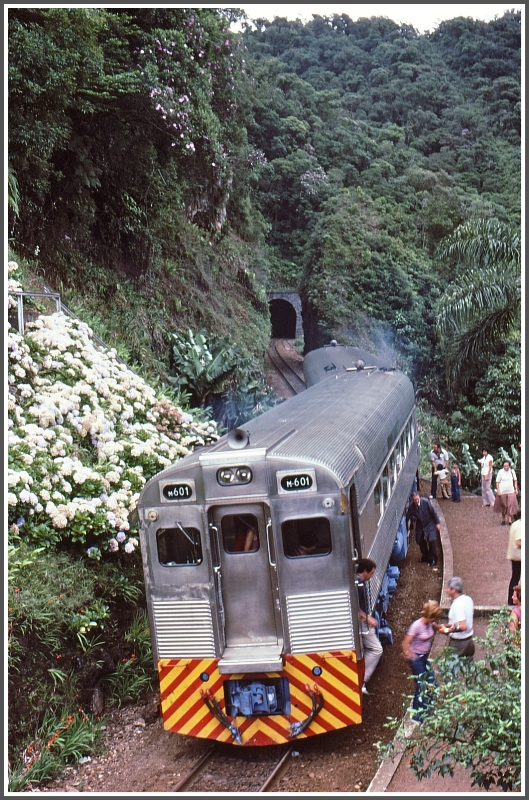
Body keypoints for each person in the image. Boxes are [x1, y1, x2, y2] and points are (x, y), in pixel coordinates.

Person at [401, 600, 444, 721]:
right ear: (430, 616)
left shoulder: (430, 623)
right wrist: (412, 657)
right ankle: (416, 716)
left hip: (424, 657)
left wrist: (447, 628)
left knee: (432, 682)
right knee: (421, 685)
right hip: (417, 659)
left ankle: (427, 708)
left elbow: (437, 627)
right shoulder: (417, 626)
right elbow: (405, 643)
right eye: (435, 617)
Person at [356, 558, 383, 695]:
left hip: (362, 621)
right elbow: (354, 607)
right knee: (376, 649)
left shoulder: (358, 582)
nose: (372, 576)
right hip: (362, 622)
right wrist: (368, 618)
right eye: (371, 573)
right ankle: (361, 680)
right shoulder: (358, 585)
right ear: (365, 571)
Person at [439, 576, 475, 658]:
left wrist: (447, 630)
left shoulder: (457, 605)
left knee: (450, 667)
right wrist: (446, 625)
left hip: (458, 643)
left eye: (448, 588)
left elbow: (463, 626)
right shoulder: (468, 599)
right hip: (469, 642)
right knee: (468, 668)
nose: (446, 590)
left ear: (453, 589)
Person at [406, 491, 441, 566]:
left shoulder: (426, 502)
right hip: (420, 524)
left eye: (417, 499)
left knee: (431, 540)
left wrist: (437, 523)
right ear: (412, 500)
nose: (416, 501)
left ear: (419, 497)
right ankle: (425, 556)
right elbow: (409, 516)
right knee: (419, 540)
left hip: (429, 522)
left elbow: (433, 512)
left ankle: (433, 558)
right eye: (414, 500)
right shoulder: (412, 507)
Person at [493, 460, 519, 525]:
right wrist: (498, 490)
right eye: (505, 466)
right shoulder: (500, 472)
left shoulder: (512, 471)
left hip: (511, 491)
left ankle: (510, 519)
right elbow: (497, 482)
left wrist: (516, 489)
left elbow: (515, 480)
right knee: (503, 506)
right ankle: (503, 518)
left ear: (509, 466)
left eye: (507, 466)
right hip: (502, 491)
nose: (506, 467)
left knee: (511, 505)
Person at [506, 517, 521, 605]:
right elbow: (518, 542)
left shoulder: (515, 524)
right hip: (519, 556)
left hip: (514, 555)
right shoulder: (521, 526)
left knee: (515, 577)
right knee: (516, 578)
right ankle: (513, 600)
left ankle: (511, 600)